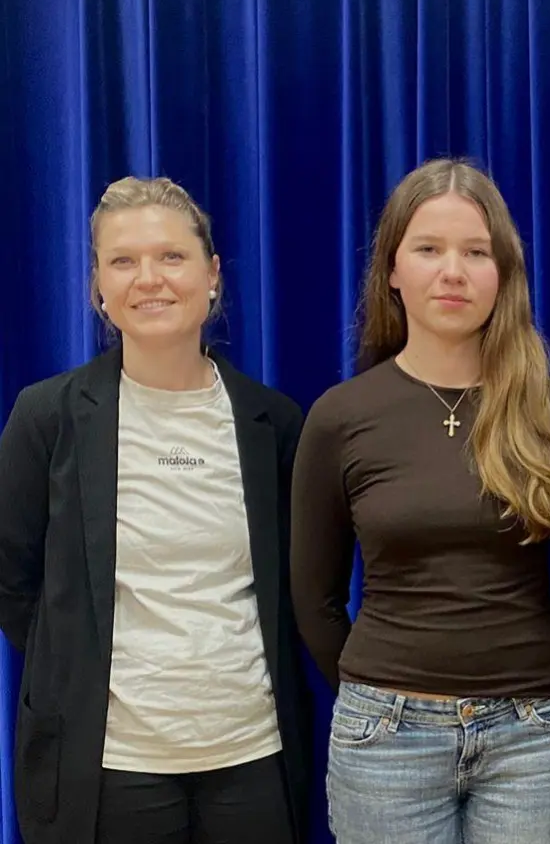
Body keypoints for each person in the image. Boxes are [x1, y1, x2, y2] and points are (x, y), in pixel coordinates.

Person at [289, 158, 550, 844]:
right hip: (385, 738)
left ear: (504, 275)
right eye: (428, 249)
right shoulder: (341, 418)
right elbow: (314, 599)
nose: (453, 271)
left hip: (534, 739)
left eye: (475, 252)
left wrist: (534, 674)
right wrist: (379, 686)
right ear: (393, 272)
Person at [0, 177, 314, 844]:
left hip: (251, 755)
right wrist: (75, 666)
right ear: (98, 288)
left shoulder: (274, 423)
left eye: (171, 257)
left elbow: (299, 587)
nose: (150, 279)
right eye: (123, 261)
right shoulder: (46, 418)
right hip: (107, 764)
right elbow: (12, 580)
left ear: (212, 276)